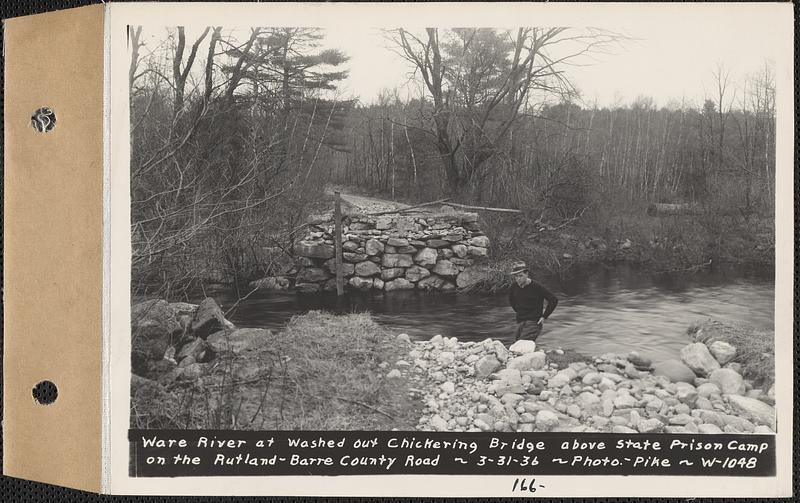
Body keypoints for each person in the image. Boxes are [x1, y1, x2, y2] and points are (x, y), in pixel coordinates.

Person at [508, 260, 558, 342]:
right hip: (520, 321)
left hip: (534, 322)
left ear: (527, 274)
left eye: (520, 276)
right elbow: (511, 300)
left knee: (522, 344)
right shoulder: (513, 287)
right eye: (516, 276)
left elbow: (553, 300)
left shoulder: (537, 287)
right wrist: (519, 311)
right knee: (516, 343)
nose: (518, 279)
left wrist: (544, 316)